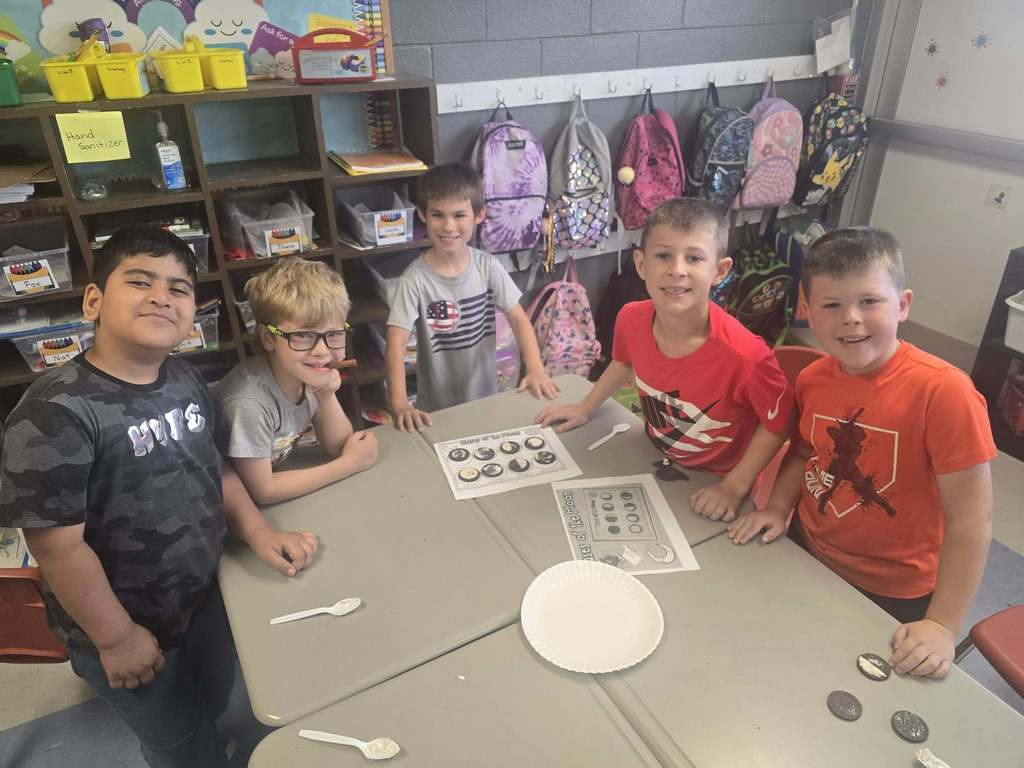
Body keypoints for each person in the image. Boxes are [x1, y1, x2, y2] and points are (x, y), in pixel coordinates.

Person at [0, 225, 318, 768]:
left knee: (215, 696)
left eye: (178, 288)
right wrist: (117, 638)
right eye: (140, 281)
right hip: (125, 626)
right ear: (94, 300)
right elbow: (58, 548)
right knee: (178, 741)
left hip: (204, 599)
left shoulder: (185, 378)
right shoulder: (56, 412)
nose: (160, 297)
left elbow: (213, 467)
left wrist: (258, 531)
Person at [728, 227, 995, 680]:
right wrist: (776, 508)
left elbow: (972, 521)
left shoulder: (945, 392)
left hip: (897, 591)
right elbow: (803, 452)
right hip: (808, 550)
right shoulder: (813, 379)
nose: (850, 318)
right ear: (807, 311)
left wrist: (942, 624)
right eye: (832, 305)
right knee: (784, 665)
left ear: (903, 305)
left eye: (869, 302)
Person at [537, 198, 794, 521]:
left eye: (694, 258)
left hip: (720, 482)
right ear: (642, 264)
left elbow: (780, 423)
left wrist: (733, 487)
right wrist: (585, 407)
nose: (677, 270)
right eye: (663, 256)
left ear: (720, 271)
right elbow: (624, 362)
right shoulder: (630, 318)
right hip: (655, 457)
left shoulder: (747, 357)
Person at [385, 163, 558, 431]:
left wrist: (535, 368)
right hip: (436, 409)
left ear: (479, 215)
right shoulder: (414, 279)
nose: (448, 226)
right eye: (437, 215)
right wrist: (399, 404)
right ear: (422, 215)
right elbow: (396, 343)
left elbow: (519, 319)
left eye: (459, 215)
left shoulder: (488, 266)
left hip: (486, 398)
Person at [215, 257, 378, 505]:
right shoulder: (248, 404)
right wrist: (348, 465)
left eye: (333, 334)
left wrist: (325, 396)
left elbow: (338, 447)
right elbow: (263, 491)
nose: (322, 351)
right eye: (302, 336)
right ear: (269, 338)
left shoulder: (303, 370)